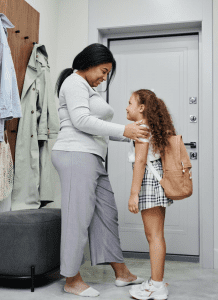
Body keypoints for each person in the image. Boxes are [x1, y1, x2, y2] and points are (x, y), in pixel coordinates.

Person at [51, 43, 149, 297]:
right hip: (75, 154)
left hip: (92, 156)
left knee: (106, 214)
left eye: (107, 74)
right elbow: (81, 121)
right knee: (78, 219)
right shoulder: (73, 83)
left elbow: (96, 127)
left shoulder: (85, 88)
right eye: (103, 71)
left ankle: (121, 273)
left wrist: (129, 135)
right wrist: (124, 130)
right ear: (90, 62)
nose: (104, 78)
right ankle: (71, 278)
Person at [126, 89, 175, 300]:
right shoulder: (148, 127)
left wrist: (133, 194)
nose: (127, 107)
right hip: (156, 183)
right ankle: (157, 281)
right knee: (155, 235)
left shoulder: (143, 128)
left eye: (130, 103)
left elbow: (140, 162)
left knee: (154, 235)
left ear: (141, 108)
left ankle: (156, 285)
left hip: (149, 183)